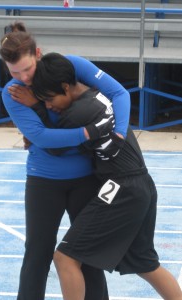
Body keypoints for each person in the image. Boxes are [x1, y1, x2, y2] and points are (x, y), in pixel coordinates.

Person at [30, 52, 182, 300]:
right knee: (145, 263)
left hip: (122, 187)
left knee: (65, 258)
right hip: (143, 183)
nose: (49, 105)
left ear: (65, 87)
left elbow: (53, 147)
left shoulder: (78, 112)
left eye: (49, 99)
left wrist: (35, 107)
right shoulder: (96, 96)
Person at [0, 22, 130, 300]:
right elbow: (42, 138)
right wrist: (88, 132)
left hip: (85, 179)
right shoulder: (13, 92)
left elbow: (120, 93)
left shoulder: (69, 66)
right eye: (15, 72)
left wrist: (118, 133)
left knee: (87, 254)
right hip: (43, 181)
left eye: (27, 69)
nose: (23, 77)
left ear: (38, 53)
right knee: (37, 254)